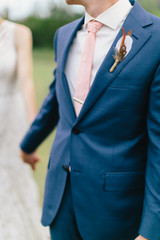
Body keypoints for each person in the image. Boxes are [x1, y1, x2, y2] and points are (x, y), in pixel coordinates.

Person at [20, 0, 160, 239]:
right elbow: (56, 98)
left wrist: (151, 230)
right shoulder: (64, 35)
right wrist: (28, 144)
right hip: (62, 199)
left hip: (118, 210)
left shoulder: (155, 38)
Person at [0, 18, 49, 239]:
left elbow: (26, 81)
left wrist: (34, 129)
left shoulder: (19, 32)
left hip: (11, 118)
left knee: (13, 179)